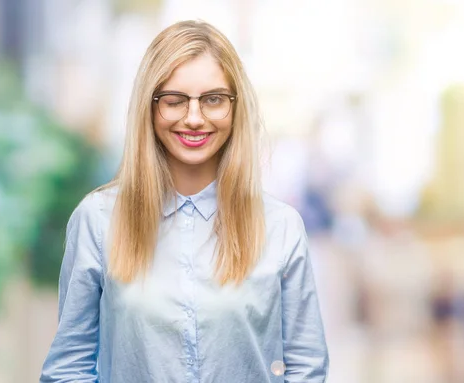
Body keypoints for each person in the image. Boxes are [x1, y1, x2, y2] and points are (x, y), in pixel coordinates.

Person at [39, 20, 329, 383]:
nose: (194, 118)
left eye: (213, 99)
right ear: (150, 105)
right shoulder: (98, 221)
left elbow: (307, 370)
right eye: (174, 100)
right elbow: (69, 369)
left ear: (236, 107)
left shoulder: (281, 227)